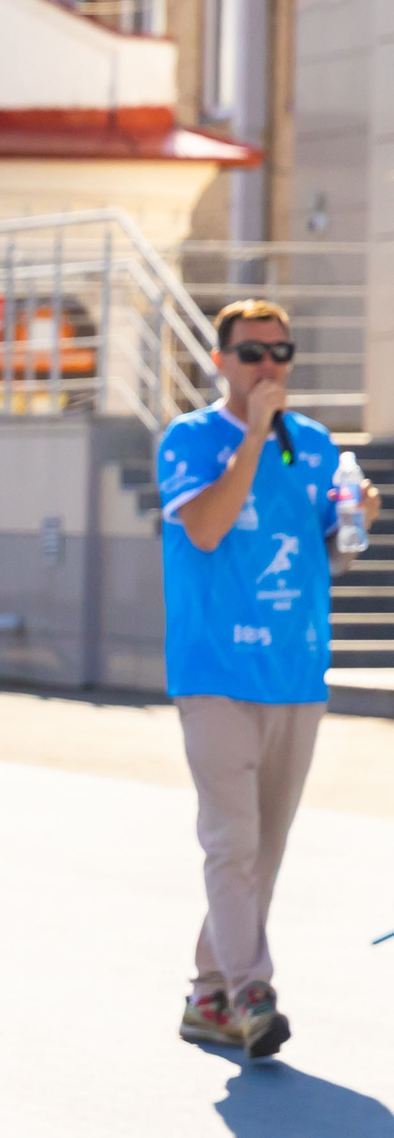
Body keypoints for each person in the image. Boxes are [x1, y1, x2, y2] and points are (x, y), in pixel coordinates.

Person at [158, 298, 376, 1058]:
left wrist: (360, 518)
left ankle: (209, 992)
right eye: (252, 353)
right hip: (215, 670)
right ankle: (254, 990)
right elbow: (209, 528)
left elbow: (327, 556)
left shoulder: (315, 447)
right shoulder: (190, 439)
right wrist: (252, 436)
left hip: (295, 673)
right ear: (220, 361)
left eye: (281, 352)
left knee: (265, 848)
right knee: (232, 840)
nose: (268, 367)